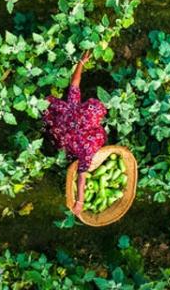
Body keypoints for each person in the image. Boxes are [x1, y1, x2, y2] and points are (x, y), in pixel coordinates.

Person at [42, 51, 107, 216]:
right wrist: (80, 201)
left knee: (54, 122)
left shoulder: (74, 108)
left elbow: (75, 83)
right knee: (67, 148)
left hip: (55, 118)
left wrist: (81, 63)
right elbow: (82, 175)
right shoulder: (89, 147)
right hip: (64, 139)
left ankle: (42, 115)